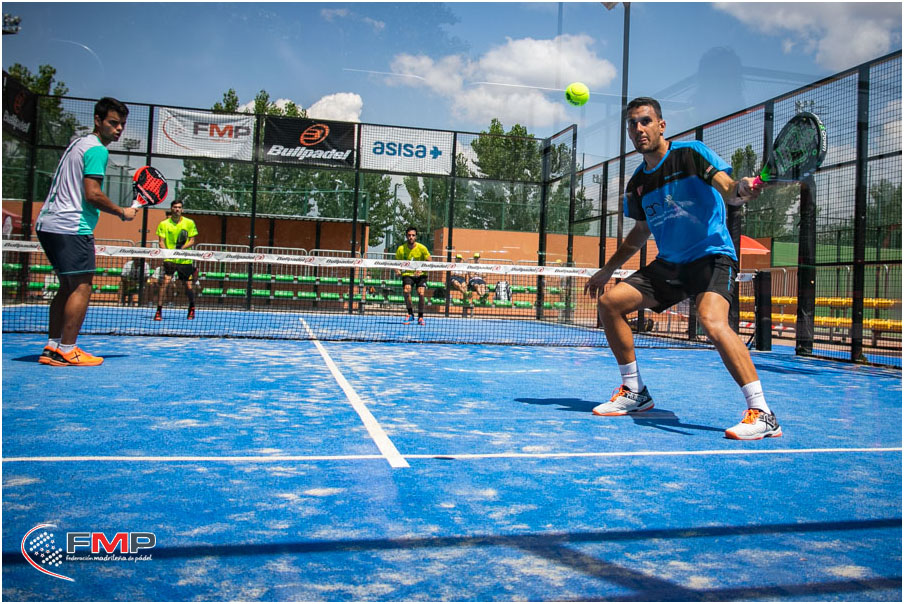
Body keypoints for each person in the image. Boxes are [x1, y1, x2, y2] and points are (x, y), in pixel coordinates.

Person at [583, 96, 779, 441]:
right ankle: (635, 392)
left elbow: (728, 189)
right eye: (632, 124)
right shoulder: (637, 184)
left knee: (712, 321)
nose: (639, 129)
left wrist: (741, 189)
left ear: (661, 125)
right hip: (670, 264)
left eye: (645, 121)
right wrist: (607, 270)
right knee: (610, 303)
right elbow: (640, 232)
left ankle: (762, 413)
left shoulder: (690, 154)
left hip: (710, 256)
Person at [35, 97, 138, 367]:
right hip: (71, 226)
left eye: (122, 124)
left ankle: (53, 347)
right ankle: (68, 349)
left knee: (66, 286)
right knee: (82, 286)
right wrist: (122, 212)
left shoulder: (77, 144)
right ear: (97, 120)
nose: (119, 129)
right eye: (113, 123)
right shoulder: (97, 150)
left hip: (48, 224)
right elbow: (92, 195)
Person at [154, 200, 198, 321]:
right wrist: (168, 253)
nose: (177, 209)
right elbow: (161, 242)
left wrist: (180, 249)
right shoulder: (164, 224)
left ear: (182, 209)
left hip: (185, 260)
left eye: (179, 207)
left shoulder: (189, 223)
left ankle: (192, 307)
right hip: (170, 259)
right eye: (175, 207)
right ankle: (158, 310)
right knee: (165, 282)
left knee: (188, 286)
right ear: (171, 209)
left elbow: (192, 241)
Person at [395, 226, 430, 325]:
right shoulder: (401, 249)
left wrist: (421, 269)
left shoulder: (422, 248)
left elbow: (429, 261)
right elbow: (395, 263)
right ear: (406, 236)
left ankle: (420, 317)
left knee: (421, 293)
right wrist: (397, 270)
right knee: (406, 290)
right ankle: (410, 314)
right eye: (409, 235)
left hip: (421, 274)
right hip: (408, 274)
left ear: (416, 237)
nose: (411, 237)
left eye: (413, 235)